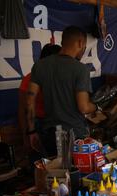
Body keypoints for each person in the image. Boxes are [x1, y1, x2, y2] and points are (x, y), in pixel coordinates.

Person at [26, 26, 99, 157]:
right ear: (80, 43)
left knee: (56, 174)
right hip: (75, 135)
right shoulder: (80, 69)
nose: (83, 49)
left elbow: (29, 100)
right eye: (84, 46)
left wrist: (31, 132)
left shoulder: (40, 65)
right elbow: (83, 108)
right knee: (76, 175)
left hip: (49, 134)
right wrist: (96, 106)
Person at [18, 43, 61, 164]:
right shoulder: (29, 79)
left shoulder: (60, 78)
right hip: (36, 127)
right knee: (39, 164)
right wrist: (26, 136)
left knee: (57, 163)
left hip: (56, 126)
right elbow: (22, 110)